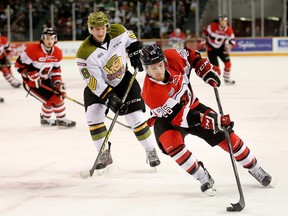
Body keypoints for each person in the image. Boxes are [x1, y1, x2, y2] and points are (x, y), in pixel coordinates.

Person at [140, 44, 272, 194]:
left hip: (193, 106)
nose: (159, 71)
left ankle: (255, 168)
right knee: (171, 144)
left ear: (164, 60)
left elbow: (191, 54)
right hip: (168, 120)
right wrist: (213, 120)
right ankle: (201, 175)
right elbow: (183, 118)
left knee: (227, 136)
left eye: (160, 65)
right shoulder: (151, 93)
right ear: (146, 69)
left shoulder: (173, 57)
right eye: (153, 68)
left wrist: (203, 68)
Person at [75, 11, 161, 171]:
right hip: (100, 88)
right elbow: (95, 83)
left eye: (102, 28)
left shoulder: (118, 31)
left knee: (135, 118)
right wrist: (111, 99)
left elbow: (131, 37)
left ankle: (150, 150)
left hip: (123, 80)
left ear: (107, 26)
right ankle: (104, 153)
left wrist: (134, 50)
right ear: (90, 29)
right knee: (93, 116)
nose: (100, 32)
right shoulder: (84, 54)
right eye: (95, 29)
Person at [15, 27, 76, 128]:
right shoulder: (32, 50)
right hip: (32, 84)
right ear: (42, 38)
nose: (49, 41)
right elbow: (18, 65)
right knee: (56, 99)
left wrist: (58, 84)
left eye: (52, 38)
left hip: (45, 81)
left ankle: (45, 120)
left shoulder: (58, 52)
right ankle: (61, 120)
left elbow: (55, 72)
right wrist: (29, 73)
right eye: (47, 38)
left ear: (55, 39)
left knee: (56, 96)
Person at [202, 15, 236, 84]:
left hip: (221, 48)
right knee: (216, 67)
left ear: (227, 22)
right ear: (219, 22)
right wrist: (204, 39)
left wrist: (229, 45)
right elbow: (205, 30)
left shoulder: (229, 30)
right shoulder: (213, 26)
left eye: (224, 21)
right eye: (221, 21)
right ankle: (215, 79)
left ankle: (226, 79)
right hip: (211, 49)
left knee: (228, 64)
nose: (223, 22)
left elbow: (232, 40)